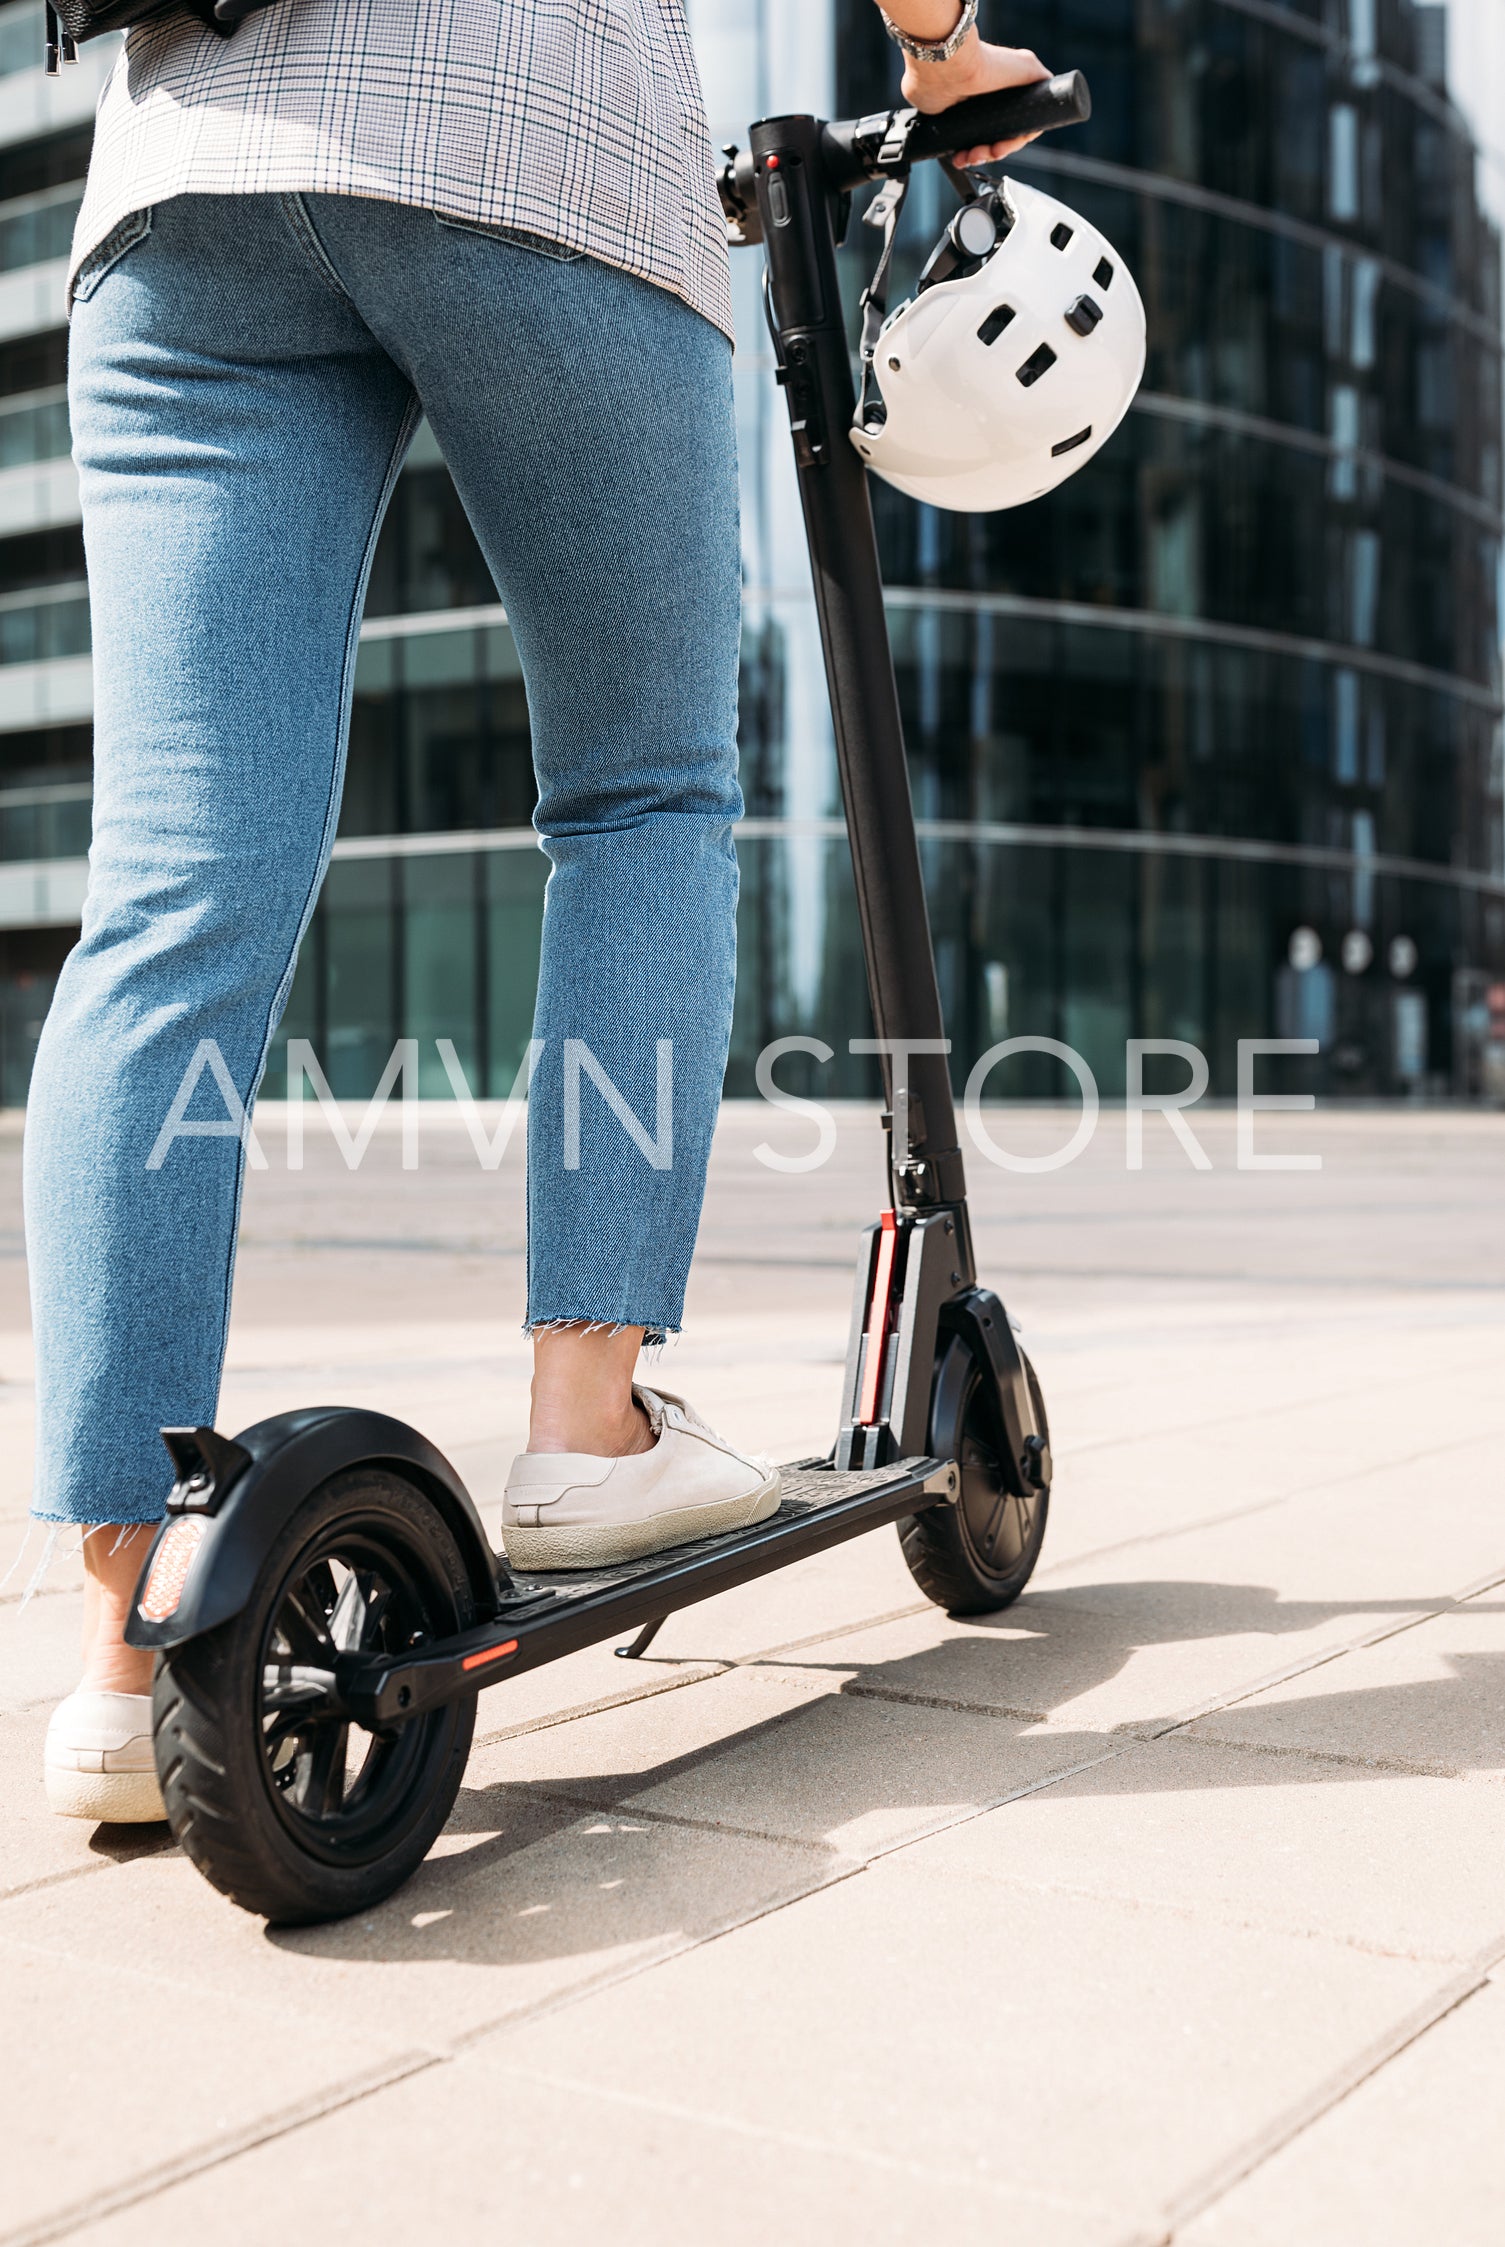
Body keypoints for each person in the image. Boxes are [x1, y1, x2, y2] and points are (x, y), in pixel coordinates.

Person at [32, 0, 1048, 1821]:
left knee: (173, 886)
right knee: (640, 787)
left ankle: (129, 1635)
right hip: (524, 130)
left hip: (179, 182)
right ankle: (587, 1426)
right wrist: (947, 49)